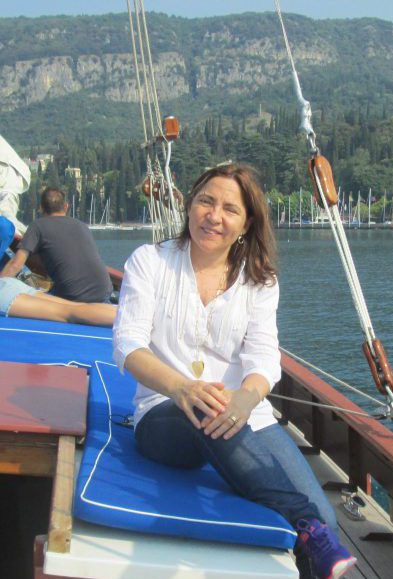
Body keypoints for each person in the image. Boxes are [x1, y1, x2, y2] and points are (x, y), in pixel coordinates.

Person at [112, 163, 356, 579]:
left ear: (246, 224)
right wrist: (182, 388)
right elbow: (128, 345)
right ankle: (303, 522)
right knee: (206, 405)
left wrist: (245, 399)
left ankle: (312, 531)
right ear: (189, 205)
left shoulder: (259, 281)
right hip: (166, 413)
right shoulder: (150, 262)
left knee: (328, 522)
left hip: (244, 414)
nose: (214, 216)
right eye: (205, 201)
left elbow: (264, 359)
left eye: (230, 209)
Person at [1, 188, 113, 303]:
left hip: (71, 297)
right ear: (66, 206)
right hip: (104, 293)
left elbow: (15, 265)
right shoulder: (82, 226)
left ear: (41, 207)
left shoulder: (37, 226)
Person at [0, 277, 115, 326]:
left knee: (68, 313)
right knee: (76, 306)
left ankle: (123, 320)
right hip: (7, 282)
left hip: (5, 295)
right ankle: (124, 314)